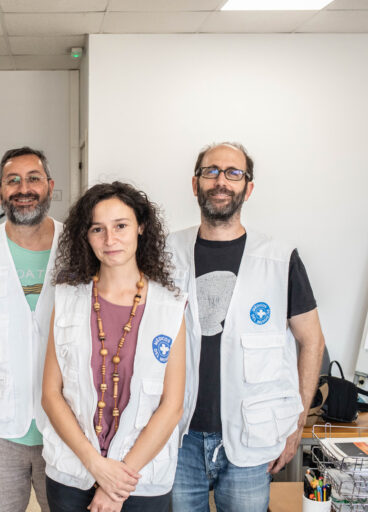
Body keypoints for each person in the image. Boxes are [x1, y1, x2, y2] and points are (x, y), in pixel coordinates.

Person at [169, 142, 326, 512]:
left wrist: (297, 425)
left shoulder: (279, 258)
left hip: (254, 437)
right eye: (211, 171)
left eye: (233, 173)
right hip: (179, 437)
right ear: (195, 184)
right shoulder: (165, 252)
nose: (221, 181)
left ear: (248, 188)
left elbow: (312, 342)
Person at [41, 181, 187, 512]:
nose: (110, 240)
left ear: (141, 227)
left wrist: (116, 484)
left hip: (141, 479)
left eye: (120, 225)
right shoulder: (67, 298)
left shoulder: (170, 306)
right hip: (73, 474)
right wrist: (96, 466)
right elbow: (51, 394)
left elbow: (172, 405)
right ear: (86, 236)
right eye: (97, 229)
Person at [0, 147, 62, 512]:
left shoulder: (78, 248)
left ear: (49, 186)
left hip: (66, 426)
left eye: (33, 178)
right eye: (12, 181)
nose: (24, 188)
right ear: (0, 191)